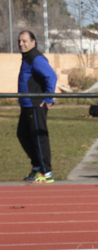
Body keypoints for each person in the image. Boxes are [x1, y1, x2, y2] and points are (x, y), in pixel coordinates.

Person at [17, 30, 57, 184]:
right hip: (26, 105)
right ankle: (36, 167)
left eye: (24, 41)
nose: (21, 44)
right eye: (19, 41)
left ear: (33, 42)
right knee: (23, 135)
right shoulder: (27, 57)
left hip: (35, 105)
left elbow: (51, 76)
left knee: (39, 138)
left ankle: (46, 172)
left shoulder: (35, 57)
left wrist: (48, 98)